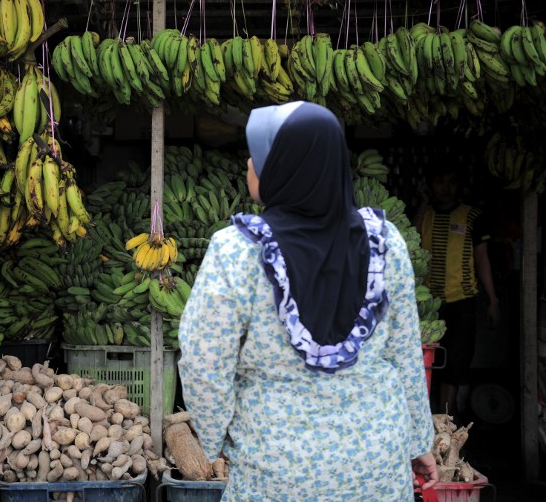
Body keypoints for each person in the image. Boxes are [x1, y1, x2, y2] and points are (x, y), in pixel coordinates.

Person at [177, 101, 438, 501]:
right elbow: (405, 353)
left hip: (275, 470)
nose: (249, 163)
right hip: (377, 467)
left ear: (285, 168)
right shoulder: (387, 243)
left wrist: (215, 441)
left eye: (260, 156)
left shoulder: (236, 251)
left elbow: (203, 363)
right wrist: (419, 440)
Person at [414, 160, 500, 418]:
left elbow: (482, 258)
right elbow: (411, 238)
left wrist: (493, 300)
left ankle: (445, 425)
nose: (445, 188)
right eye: (439, 182)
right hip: (428, 305)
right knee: (428, 363)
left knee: (455, 363)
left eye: (451, 182)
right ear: (429, 185)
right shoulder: (424, 214)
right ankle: (426, 422)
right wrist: (421, 201)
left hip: (462, 302)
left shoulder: (471, 216)